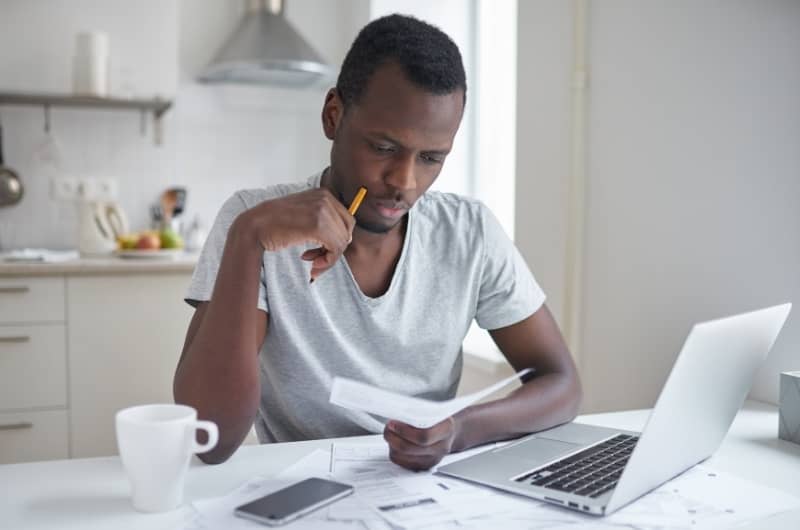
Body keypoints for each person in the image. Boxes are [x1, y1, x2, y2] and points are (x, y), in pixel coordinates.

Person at [174, 14, 582, 471]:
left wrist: (461, 428)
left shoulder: (470, 232)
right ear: (334, 115)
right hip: (298, 493)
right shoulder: (254, 222)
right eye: (384, 148)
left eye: (431, 158)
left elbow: (561, 383)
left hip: (425, 491)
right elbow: (210, 439)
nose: (404, 182)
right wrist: (247, 240)